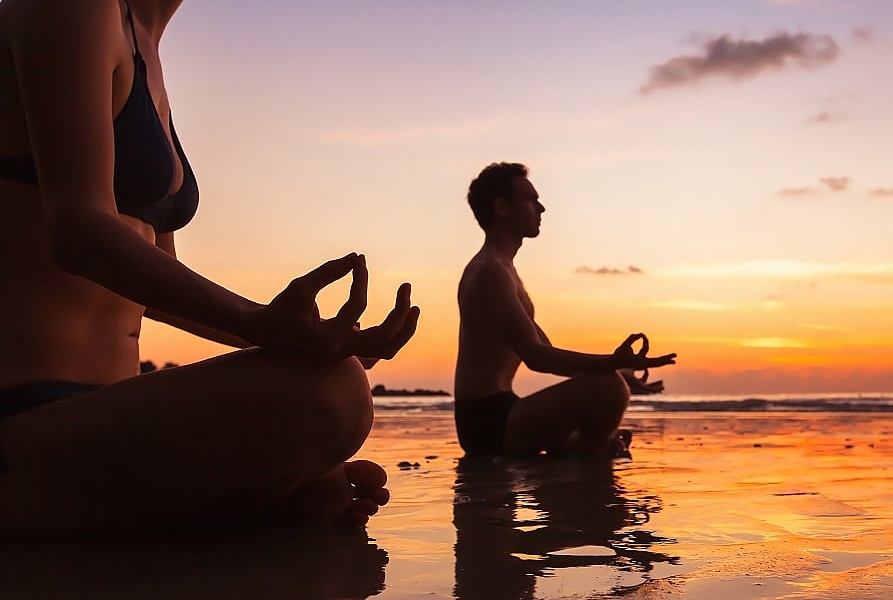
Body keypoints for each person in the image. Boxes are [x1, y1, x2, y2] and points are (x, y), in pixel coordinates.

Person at [0, 0, 420, 538]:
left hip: (107, 404)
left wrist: (307, 341)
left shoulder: (146, 49)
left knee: (323, 465)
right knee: (333, 396)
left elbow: (157, 276)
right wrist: (260, 326)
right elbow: (79, 231)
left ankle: (148, 512)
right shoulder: (73, 8)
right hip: (21, 409)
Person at [454, 162, 676, 458]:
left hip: (504, 408)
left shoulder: (504, 270)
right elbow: (536, 357)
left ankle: (588, 450)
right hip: (486, 423)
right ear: (502, 207)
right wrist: (611, 364)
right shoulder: (489, 271)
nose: (541, 208)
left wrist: (618, 367)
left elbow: (546, 351)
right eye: (530, 200)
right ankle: (593, 453)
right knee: (610, 388)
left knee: (610, 385)